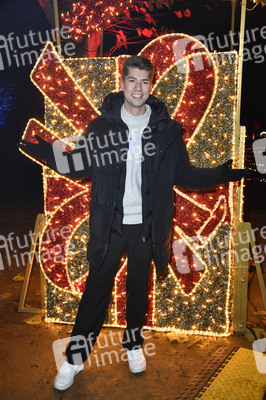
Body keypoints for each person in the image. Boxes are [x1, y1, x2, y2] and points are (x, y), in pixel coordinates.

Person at [18, 56, 249, 391]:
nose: (138, 88)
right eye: (132, 81)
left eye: (144, 82)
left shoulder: (166, 131)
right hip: (110, 227)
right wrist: (48, 153)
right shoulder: (101, 128)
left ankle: (133, 346)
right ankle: (73, 360)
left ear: (150, 85)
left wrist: (223, 174)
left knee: (139, 292)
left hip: (147, 227)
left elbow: (184, 175)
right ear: (122, 83)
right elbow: (78, 167)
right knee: (96, 293)